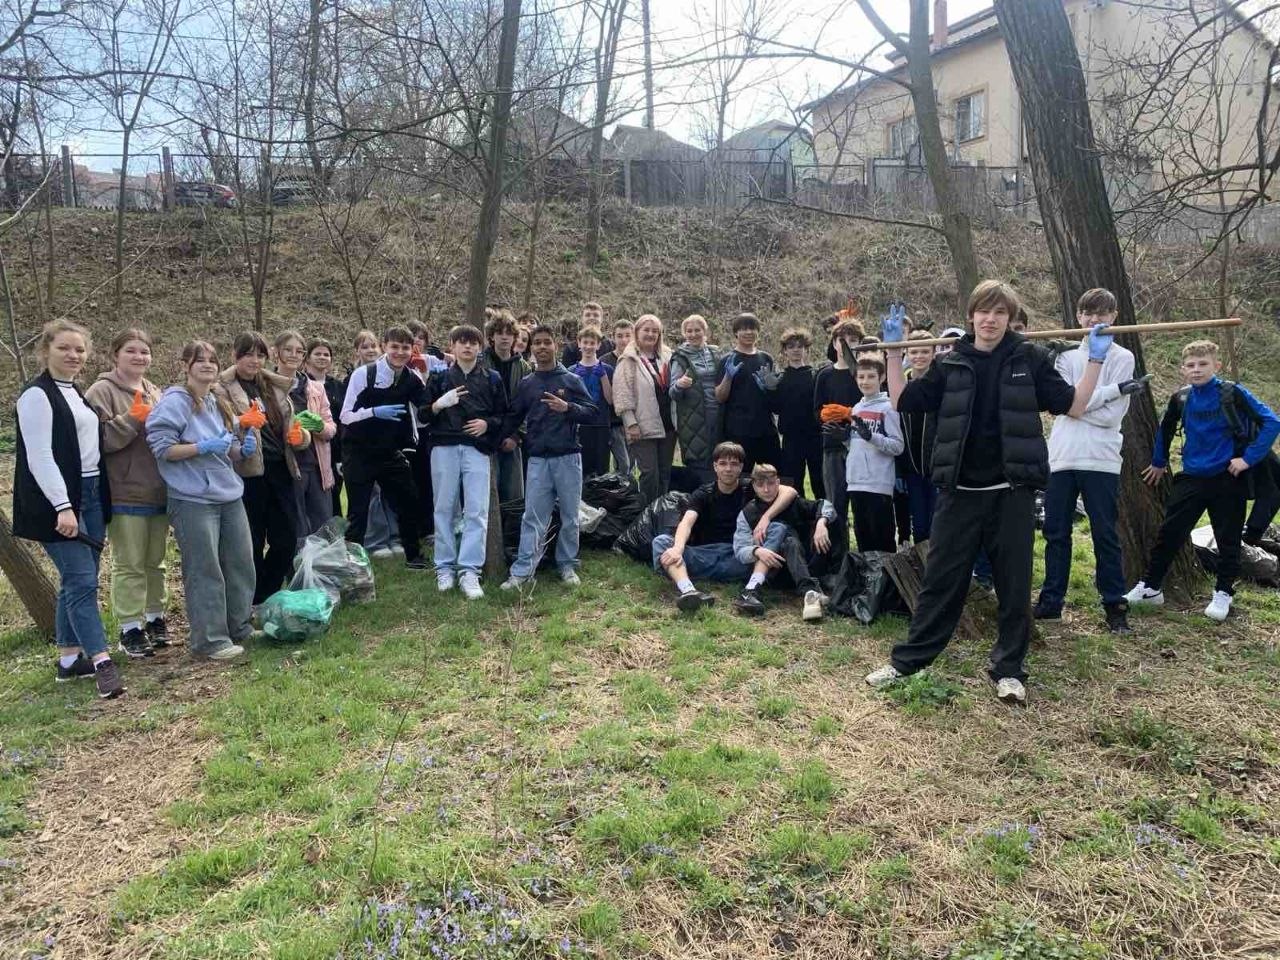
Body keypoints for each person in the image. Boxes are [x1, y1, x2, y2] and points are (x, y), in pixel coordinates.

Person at [865, 280, 1115, 705]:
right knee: (940, 581)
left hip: (1010, 493)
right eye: (984, 311)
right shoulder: (951, 362)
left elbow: (1073, 405)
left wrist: (1095, 359)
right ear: (971, 317)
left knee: (1014, 586)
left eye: (1000, 312)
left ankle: (1009, 670)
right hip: (959, 493)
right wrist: (892, 354)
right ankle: (908, 662)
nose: (991, 319)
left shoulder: (1029, 358)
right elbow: (903, 400)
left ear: (1010, 319)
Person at [1125, 339, 1280, 622]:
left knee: (1228, 540)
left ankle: (1223, 592)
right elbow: (1166, 428)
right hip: (1192, 477)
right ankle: (1150, 587)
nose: (1196, 369)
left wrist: (1248, 459)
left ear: (1216, 365)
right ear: (1183, 369)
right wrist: (1159, 462)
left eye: (1203, 364)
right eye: (1191, 365)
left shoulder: (1232, 393)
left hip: (1228, 477)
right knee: (1169, 532)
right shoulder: (1181, 398)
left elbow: (1272, 422)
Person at [14, 320, 124, 697]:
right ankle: (102, 661)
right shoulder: (36, 396)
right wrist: (63, 506)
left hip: (91, 494)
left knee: (77, 579)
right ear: (46, 351)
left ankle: (68, 661)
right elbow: (40, 457)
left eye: (79, 349)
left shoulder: (75, 392)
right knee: (82, 581)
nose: (73, 355)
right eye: (64, 348)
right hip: (59, 501)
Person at [1034, 289, 1147, 634]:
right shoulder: (1065, 355)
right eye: (1088, 313)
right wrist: (1112, 391)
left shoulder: (1123, 357)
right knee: (1056, 532)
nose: (1095, 319)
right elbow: (1065, 404)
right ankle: (1051, 601)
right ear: (1079, 316)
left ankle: (1114, 606)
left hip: (1101, 459)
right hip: (1062, 457)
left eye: (1102, 313)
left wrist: (1078, 404)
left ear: (1114, 316)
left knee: (1104, 533)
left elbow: (1110, 417)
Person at [148, 340, 258, 661]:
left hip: (228, 493)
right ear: (186, 366)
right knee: (205, 569)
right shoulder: (175, 402)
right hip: (193, 498)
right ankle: (210, 640)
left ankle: (239, 626)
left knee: (240, 562)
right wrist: (201, 447)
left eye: (212, 360)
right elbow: (163, 448)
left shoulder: (217, 401)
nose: (208, 365)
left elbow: (226, 447)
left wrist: (240, 450)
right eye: (200, 360)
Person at [85, 328, 169, 659]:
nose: (139, 357)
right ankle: (130, 628)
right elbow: (98, 441)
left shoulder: (155, 391)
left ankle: (155, 618)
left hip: (158, 489)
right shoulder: (101, 391)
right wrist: (131, 419)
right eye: (131, 350)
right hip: (123, 491)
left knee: (156, 562)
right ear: (115, 354)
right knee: (129, 563)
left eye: (144, 351)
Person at [216, 331, 312, 604]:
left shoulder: (272, 384)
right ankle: (252, 600)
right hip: (247, 473)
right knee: (253, 541)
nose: (254, 361)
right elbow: (219, 427)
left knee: (287, 538)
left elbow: (291, 425)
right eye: (248, 354)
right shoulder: (221, 388)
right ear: (234, 355)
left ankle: (266, 593)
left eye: (260, 355)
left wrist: (301, 437)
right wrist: (241, 421)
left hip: (281, 468)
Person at [501, 325, 597, 589]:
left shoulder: (571, 380)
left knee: (570, 516)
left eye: (547, 342)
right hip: (538, 460)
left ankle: (567, 564)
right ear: (531, 348)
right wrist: (501, 436)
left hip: (568, 457)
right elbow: (514, 416)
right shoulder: (527, 384)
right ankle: (523, 570)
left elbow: (592, 412)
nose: (542, 347)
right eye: (537, 343)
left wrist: (568, 408)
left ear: (556, 345)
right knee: (533, 517)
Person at [651, 442, 797, 612]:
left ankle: (751, 590)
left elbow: (789, 491)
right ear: (715, 466)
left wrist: (766, 517)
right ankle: (689, 592)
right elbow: (687, 522)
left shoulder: (750, 488)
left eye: (734, 464)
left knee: (777, 528)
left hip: (740, 557)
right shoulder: (703, 493)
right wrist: (677, 549)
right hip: (705, 556)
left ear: (741, 467)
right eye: (723, 463)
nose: (728, 469)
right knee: (661, 542)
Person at [427, 323, 510, 599]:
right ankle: (444, 567)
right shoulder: (438, 378)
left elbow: (503, 415)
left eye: (472, 342)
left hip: (476, 448)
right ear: (452, 346)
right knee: (444, 508)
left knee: (476, 510)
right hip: (444, 446)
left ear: (480, 347)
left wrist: (487, 424)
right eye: (461, 342)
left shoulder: (492, 378)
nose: (467, 346)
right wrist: (438, 404)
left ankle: (469, 570)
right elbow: (422, 415)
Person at [340, 326, 433, 570]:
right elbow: (345, 416)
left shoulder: (412, 378)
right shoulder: (363, 374)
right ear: (384, 346)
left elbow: (425, 408)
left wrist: (439, 402)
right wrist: (373, 412)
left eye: (405, 348)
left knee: (409, 500)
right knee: (358, 512)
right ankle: (353, 568)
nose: (400, 352)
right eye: (395, 347)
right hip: (358, 452)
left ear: (412, 350)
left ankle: (414, 557)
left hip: (389, 452)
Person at [731, 463, 835, 620]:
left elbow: (825, 505)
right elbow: (740, 550)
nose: (766, 489)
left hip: (804, 564)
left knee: (791, 539)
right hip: (773, 573)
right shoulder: (747, 513)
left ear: (778, 483)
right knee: (783, 532)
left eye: (771, 484)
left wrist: (822, 522)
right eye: (760, 485)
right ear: (754, 486)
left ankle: (811, 589)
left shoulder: (793, 503)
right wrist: (757, 551)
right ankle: (809, 591)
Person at [275, 329, 337, 539]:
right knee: (294, 528)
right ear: (276, 352)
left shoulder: (316, 388)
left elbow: (331, 429)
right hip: (287, 468)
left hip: (317, 466)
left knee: (323, 525)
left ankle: (323, 561)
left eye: (299, 351)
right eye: (288, 350)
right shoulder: (267, 386)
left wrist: (319, 426)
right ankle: (298, 561)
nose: (294, 355)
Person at [813, 318, 865, 545]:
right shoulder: (824, 375)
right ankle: (839, 555)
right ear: (834, 343)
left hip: (862, 445)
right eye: (841, 340)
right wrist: (826, 416)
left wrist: (849, 413)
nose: (846, 344)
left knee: (863, 504)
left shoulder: (863, 373)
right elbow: (817, 411)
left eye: (852, 340)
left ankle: (866, 553)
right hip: (832, 447)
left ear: (860, 343)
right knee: (836, 503)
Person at [613, 314, 675, 503]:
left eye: (655, 331)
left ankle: (662, 509)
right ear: (637, 332)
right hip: (642, 426)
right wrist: (631, 423)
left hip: (668, 425)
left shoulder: (668, 356)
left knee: (665, 472)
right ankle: (646, 510)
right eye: (646, 330)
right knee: (649, 473)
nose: (650, 334)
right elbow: (622, 394)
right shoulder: (628, 359)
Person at [845, 355, 904, 553]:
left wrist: (872, 437)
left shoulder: (888, 408)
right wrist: (844, 440)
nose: (865, 381)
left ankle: (887, 574)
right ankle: (867, 573)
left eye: (871, 376)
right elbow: (857, 446)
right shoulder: (857, 408)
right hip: (856, 482)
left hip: (878, 485)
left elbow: (898, 446)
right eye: (861, 377)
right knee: (864, 541)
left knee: (882, 541)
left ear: (882, 377)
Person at [714, 312, 780, 472]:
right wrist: (728, 377)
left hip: (765, 429)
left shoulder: (766, 358)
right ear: (736, 333)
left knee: (772, 473)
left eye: (752, 328)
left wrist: (770, 388)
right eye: (743, 329)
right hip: (738, 431)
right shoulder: (728, 360)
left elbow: (775, 401)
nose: (749, 332)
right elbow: (720, 397)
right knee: (740, 476)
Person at [484, 308, 533, 501]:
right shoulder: (480, 364)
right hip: (486, 437)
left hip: (513, 437)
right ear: (491, 336)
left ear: (514, 337)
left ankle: (512, 523)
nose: (504, 337)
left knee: (513, 494)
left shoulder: (523, 367)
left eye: (509, 333)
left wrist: (516, 435)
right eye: (499, 333)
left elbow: (528, 405)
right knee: (488, 493)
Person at [769, 327, 823, 499]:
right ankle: (797, 513)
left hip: (815, 436)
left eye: (800, 346)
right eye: (791, 346)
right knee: (792, 482)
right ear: (785, 351)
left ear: (807, 350)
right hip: (791, 438)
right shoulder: (780, 377)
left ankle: (823, 513)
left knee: (820, 481)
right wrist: (770, 390)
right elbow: (775, 407)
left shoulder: (816, 376)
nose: (796, 350)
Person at [668, 314, 721, 486]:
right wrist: (680, 385)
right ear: (684, 334)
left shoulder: (716, 353)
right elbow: (672, 393)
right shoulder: (679, 358)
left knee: (721, 461)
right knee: (700, 465)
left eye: (697, 330)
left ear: (705, 331)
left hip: (718, 416)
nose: (693, 334)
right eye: (689, 331)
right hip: (694, 420)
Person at [899, 330, 938, 542]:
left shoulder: (941, 384)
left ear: (934, 353)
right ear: (907, 353)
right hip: (911, 468)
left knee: (937, 523)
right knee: (920, 525)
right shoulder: (900, 384)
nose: (919, 356)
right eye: (914, 352)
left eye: (925, 351)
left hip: (938, 468)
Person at [304, 337, 347, 518]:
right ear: (307, 358)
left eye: (326, 354)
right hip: (310, 450)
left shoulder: (338, 386)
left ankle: (334, 533)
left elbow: (344, 420)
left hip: (336, 451)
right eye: (317, 354)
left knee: (334, 500)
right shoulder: (301, 384)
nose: (322, 357)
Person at [569, 324, 614, 478]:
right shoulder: (571, 371)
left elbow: (610, 400)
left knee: (602, 470)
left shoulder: (607, 369)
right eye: (585, 342)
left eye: (592, 343)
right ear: (579, 343)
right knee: (581, 469)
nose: (588, 346)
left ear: (598, 345)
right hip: (580, 426)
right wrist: (577, 380)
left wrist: (603, 377)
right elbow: (569, 401)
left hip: (601, 425)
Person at [600, 319, 634, 476]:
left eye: (627, 335)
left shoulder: (637, 359)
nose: (624, 340)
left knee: (631, 465)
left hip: (633, 420)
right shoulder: (604, 361)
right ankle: (618, 488)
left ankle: (624, 489)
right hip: (613, 421)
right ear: (613, 337)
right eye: (619, 336)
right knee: (624, 465)